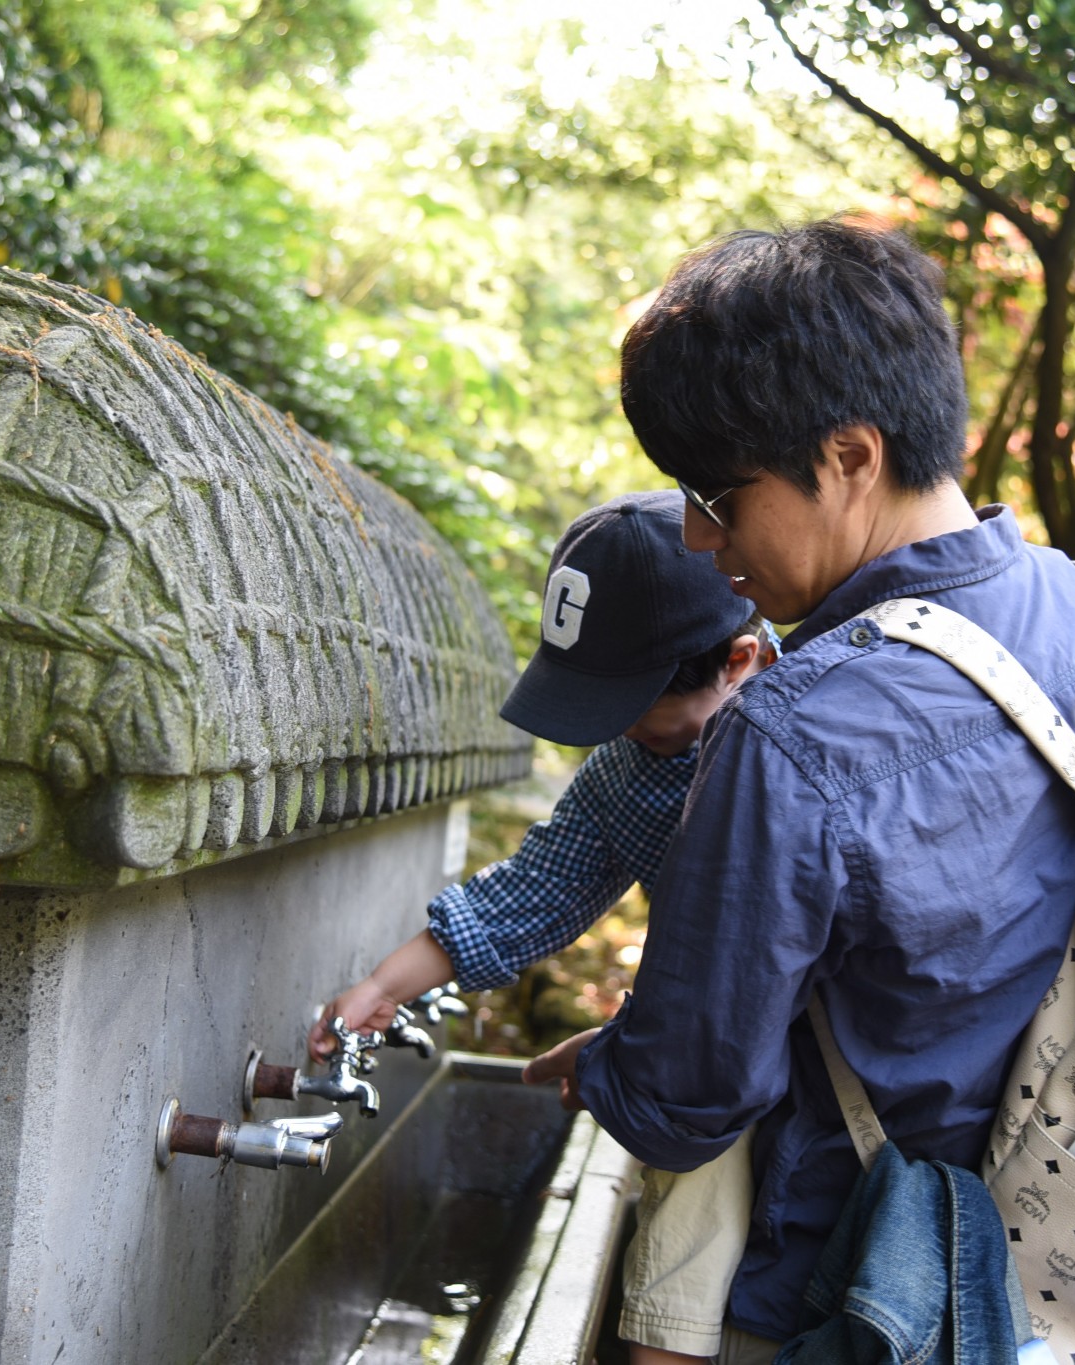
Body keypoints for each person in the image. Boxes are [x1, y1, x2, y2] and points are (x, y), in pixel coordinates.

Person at [523, 218, 1075, 1362]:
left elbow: (688, 1096)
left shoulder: (792, 734)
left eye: (714, 495)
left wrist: (605, 1066)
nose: (695, 536)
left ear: (848, 456)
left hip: (854, 1296)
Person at [312, 490, 776, 1365]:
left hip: (791, 1077)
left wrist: (626, 1048)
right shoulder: (630, 771)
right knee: (668, 1299)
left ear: (739, 659)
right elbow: (534, 889)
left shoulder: (806, 750)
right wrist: (381, 987)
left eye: (637, 709)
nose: (620, 732)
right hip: (700, 1070)